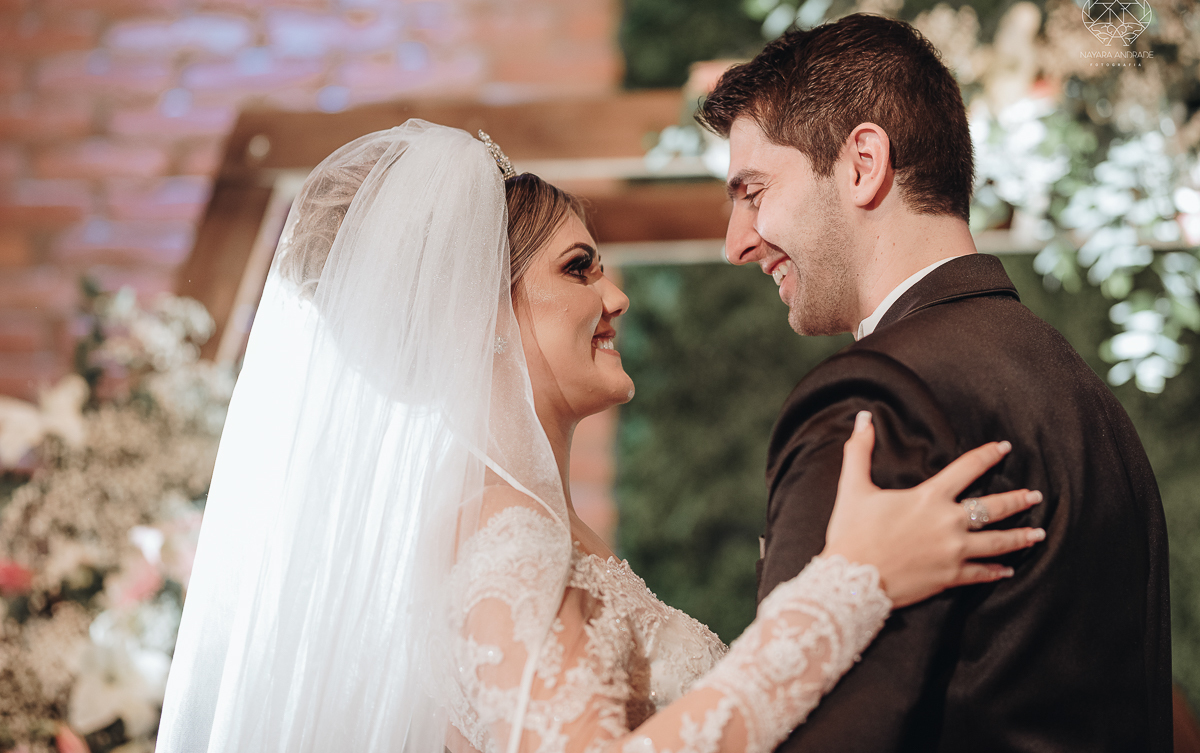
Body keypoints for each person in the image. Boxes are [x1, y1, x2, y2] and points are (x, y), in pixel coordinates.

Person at [156, 119, 1043, 753]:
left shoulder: (522, 519)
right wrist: (850, 588)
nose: (614, 297)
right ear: (477, 314)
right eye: (578, 269)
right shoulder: (499, 528)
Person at [697, 13, 1172, 751]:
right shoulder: (1083, 392)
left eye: (753, 192)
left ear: (863, 163)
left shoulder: (877, 402)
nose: (737, 243)